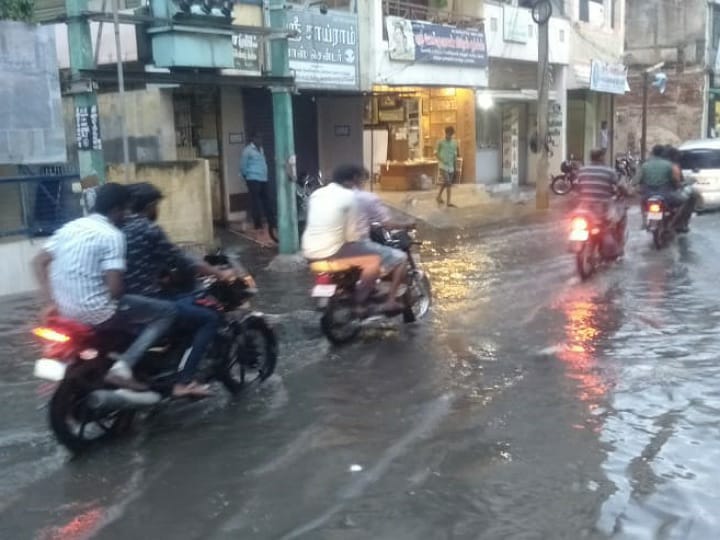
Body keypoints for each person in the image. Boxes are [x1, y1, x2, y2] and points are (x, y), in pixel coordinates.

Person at [33, 183, 177, 390]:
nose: (127, 216)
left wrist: (49, 303)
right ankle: (124, 367)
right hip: (99, 313)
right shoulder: (112, 236)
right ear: (116, 210)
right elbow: (116, 291)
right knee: (167, 311)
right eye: (125, 211)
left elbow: (38, 262)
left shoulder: (69, 228)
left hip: (64, 312)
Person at [122, 183, 237, 397]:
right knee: (208, 318)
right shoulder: (149, 230)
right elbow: (180, 259)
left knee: (181, 301)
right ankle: (186, 380)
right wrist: (219, 273)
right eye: (157, 205)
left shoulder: (118, 228)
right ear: (150, 206)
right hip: (148, 301)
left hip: (123, 301)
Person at [302, 164, 407, 313]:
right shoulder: (351, 197)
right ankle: (365, 302)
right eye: (361, 178)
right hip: (335, 250)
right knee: (389, 260)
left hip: (309, 250)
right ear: (355, 178)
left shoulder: (317, 194)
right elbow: (353, 235)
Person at [576, 148, 628, 253]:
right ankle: (619, 247)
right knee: (621, 217)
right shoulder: (609, 171)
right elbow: (620, 186)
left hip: (583, 206)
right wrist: (626, 192)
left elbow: (577, 187)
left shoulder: (582, 170)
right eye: (604, 156)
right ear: (601, 158)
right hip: (603, 206)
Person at [636, 144, 695, 232]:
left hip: (647, 196)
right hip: (666, 196)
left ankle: (644, 222)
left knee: (641, 200)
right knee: (685, 200)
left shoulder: (645, 165)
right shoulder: (670, 165)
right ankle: (675, 224)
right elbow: (676, 182)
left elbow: (635, 181)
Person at [240, 132, 275, 243]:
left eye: (261, 138)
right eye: (258, 138)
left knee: (267, 200)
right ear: (253, 139)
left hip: (263, 178)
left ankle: (271, 221)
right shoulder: (248, 151)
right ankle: (258, 224)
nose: (260, 140)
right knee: (255, 202)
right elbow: (242, 165)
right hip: (253, 178)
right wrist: (246, 176)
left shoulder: (261, 149)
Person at [436, 126, 459, 207]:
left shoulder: (454, 143)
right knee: (448, 183)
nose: (448, 136)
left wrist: (455, 167)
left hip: (451, 166)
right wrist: (441, 159)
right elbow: (436, 153)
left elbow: (455, 155)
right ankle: (448, 202)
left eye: (450, 134)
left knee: (446, 183)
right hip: (443, 166)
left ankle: (438, 196)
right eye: (447, 134)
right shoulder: (440, 142)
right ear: (445, 133)